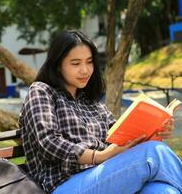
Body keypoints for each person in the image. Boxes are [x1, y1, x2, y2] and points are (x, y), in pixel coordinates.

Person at [19, 30, 182, 194]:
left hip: (102, 177)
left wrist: (156, 130)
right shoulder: (41, 91)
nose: (85, 70)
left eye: (89, 62)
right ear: (58, 65)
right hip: (63, 185)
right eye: (75, 64)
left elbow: (120, 135)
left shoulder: (91, 102)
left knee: (163, 190)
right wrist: (99, 156)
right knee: (153, 153)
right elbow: (48, 142)